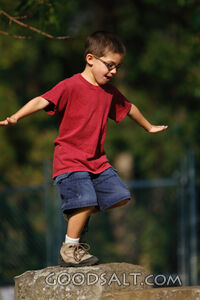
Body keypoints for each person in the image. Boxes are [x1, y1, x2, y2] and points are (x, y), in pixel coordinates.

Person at [0, 31, 168, 267]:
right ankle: (69, 248)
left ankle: (78, 211)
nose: (113, 72)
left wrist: (148, 127)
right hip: (70, 159)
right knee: (86, 200)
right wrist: (16, 116)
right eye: (109, 65)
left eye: (118, 67)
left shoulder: (109, 93)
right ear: (91, 58)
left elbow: (129, 108)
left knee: (120, 196)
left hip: (97, 161)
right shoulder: (71, 85)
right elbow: (41, 100)